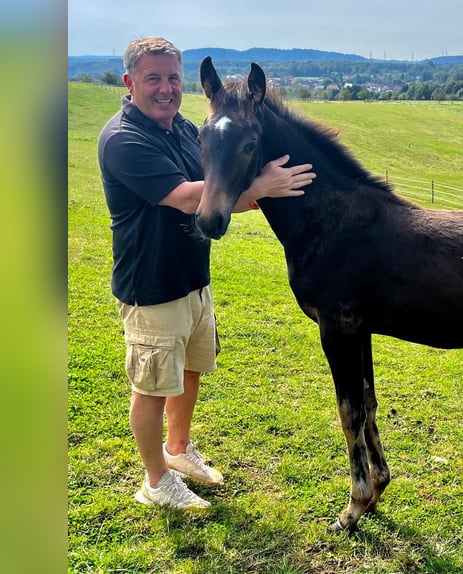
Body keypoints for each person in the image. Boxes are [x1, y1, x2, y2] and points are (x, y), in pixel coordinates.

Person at [98, 37, 315, 510]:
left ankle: (178, 451)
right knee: (153, 384)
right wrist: (265, 185)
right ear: (130, 81)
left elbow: (219, 187)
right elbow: (186, 197)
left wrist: (260, 189)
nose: (165, 88)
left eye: (173, 78)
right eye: (153, 78)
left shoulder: (184, 129)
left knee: (191, 368)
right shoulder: (123, 139)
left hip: (193, 276)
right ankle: (155, 482)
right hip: (151, 285)